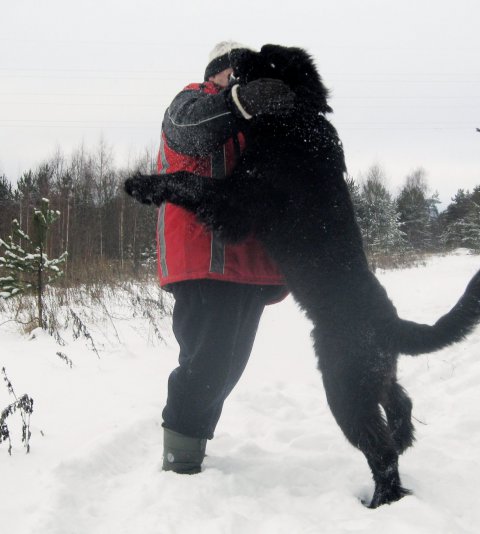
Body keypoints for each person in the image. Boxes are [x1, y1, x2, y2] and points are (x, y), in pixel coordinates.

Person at [155, 41, 294, 474]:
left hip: (248, 267)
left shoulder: (254, 120)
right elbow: (191, 132)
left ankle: (191, 440)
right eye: (231, 72)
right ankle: (181, 456)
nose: (238, 79)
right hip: (203, 259)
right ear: (216, 73)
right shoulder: (191, 102)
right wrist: (241, 100)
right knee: (207, 363)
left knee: (228, 367)